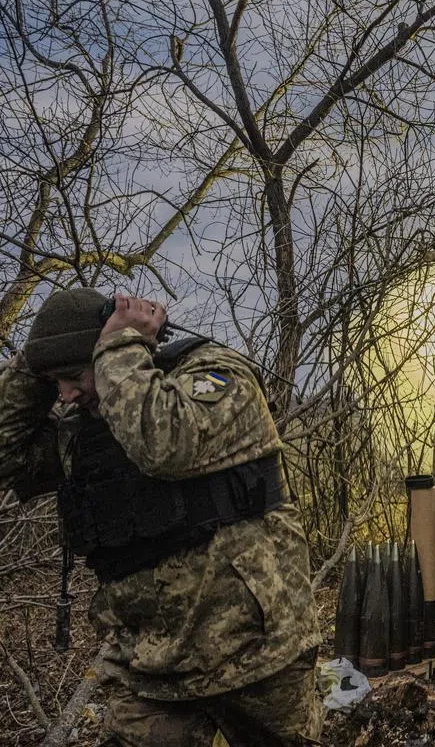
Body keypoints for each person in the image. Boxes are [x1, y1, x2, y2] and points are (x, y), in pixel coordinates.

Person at [0, 289, 321, 746]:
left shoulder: (214, 376)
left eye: (71, 376)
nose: (65, 395)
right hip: (149, 662)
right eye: (54, 384)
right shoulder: (83, 426)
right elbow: (5, 457)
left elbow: (167, 444)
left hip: (256, 653)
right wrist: (33, 365)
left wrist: (118, 348)